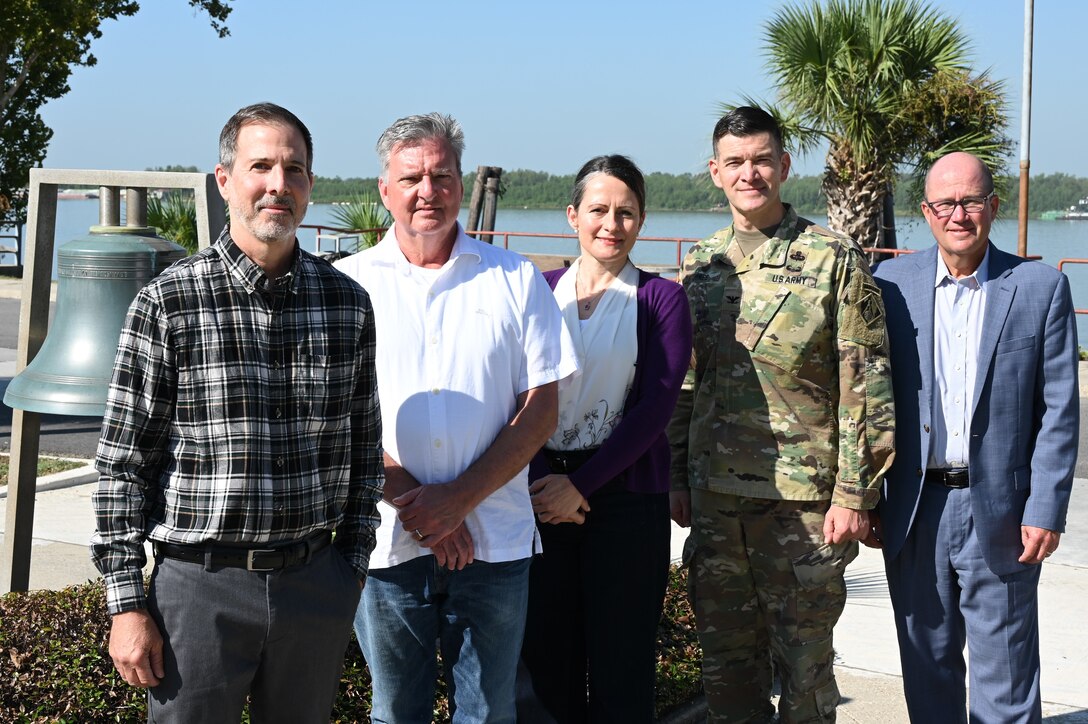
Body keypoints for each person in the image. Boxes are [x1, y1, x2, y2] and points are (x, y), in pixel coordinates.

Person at [90, 102, 383, 722]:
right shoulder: (167, 303)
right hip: (199, 591)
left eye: (295, 169)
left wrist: (349, 568)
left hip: (313, 585)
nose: (279, 184)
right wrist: (124, 603)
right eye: (261, 167)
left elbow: (363, 450)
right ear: (225, 180)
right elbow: (122, 464)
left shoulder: (348, 306)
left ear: (309, 185)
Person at [333, 112, 576, 724]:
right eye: (411, 177)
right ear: (384, 190)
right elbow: (335, 417)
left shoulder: (515, 279)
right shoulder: (345, 287)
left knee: (491, 712)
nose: (427, 191)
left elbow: (541, 408)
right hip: (387, 541)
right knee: (395, 711)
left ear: (461, 185)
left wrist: (459, 501)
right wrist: (424, 508)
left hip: (496, 542)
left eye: (442, 175)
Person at [667, 106, 895, 723]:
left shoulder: (832, 257)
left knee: (805, 674)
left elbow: (864, 383)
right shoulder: (701, 264)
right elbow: (689, 380)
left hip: (802, 505)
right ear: (715, 172)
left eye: (762, 160)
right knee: (727, 668)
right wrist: (677, 475)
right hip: (715, 501)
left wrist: (854, 495)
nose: (751, 174)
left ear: (784, 166)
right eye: (735, 163)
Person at [871, 151, 1078, 723]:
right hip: (914, 513)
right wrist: (864, 498)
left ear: (992, 205)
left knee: (1007, 681)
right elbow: (863, 397)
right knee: (927, 669)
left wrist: (1046, 508)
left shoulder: (1040, 288)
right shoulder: (889, 285)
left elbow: (1059, 410)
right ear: (927, 211)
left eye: (970, 201)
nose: (958, 214)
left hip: (1004, 513)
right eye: (945, 203)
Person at [516, 155, 693, 723]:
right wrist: (547, 479)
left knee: (622, 668)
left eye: (626, 212)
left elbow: (654, 409)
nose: (611, 225)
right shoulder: (538, 292)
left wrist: (581, 486)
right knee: (543, 666)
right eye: (598, 210)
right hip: (540, 495)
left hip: (626, 502)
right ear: (573, 216)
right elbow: (518, 394)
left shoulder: (661, 300)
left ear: (641, 221)